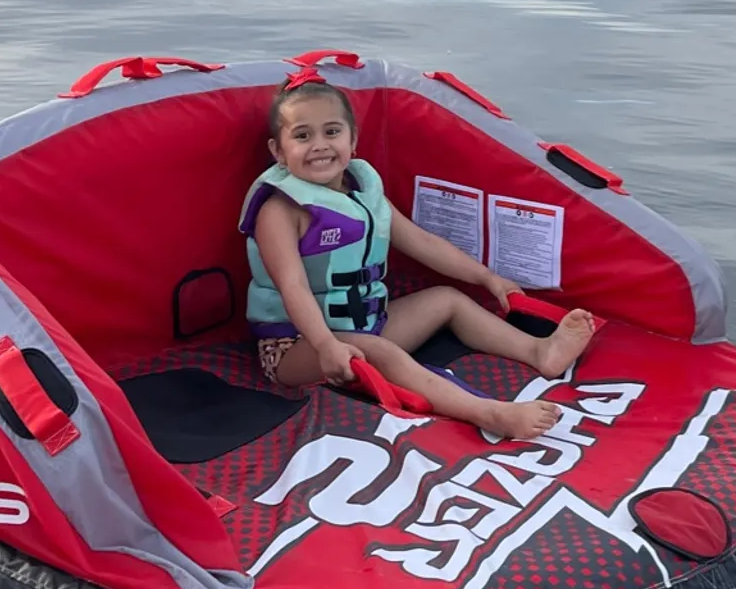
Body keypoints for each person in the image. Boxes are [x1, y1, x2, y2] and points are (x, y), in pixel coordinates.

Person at [242, 76, 597, 442]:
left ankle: (541, 351)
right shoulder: (279, 211)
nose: (320, 146)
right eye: (302, 136)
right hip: (295, 347)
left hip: (366, 323)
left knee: (447, 299)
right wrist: (326, 344)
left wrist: (486, 277)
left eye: (331, 132)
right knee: (379, 350)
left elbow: (422, 242)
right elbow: (292, 286)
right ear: (279, 152)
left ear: (353, 140)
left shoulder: (364, 193)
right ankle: (490, 412)